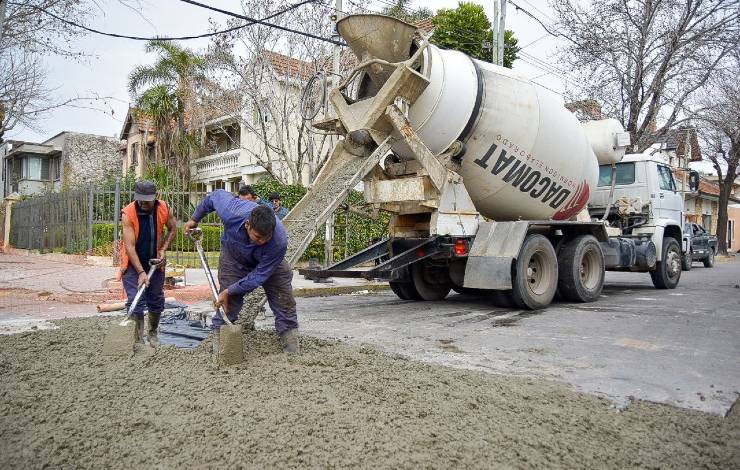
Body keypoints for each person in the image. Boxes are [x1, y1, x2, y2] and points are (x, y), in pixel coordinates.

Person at [184, 189, 299, 354]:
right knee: (227, 303)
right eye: (258, 237)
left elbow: (259, 276)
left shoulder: (279, 240)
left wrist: (230, 290)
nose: (262, 241)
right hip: (233, 256)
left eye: (266, 238)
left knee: (283, 298)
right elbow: (214, 197)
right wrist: (194, 219)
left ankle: (291, 346)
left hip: (268, 261)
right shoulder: (232, 211)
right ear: (247, 225)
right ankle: (219, 348)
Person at [120, 180, 177, 347]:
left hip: (155, 262)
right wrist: (140, 272)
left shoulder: (164, 208)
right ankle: (138, 339)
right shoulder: (128, 213)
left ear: (155, 197)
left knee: (156, 299)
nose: (144, 203)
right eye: (141, 200)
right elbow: (129, 247)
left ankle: (152, 333)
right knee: (135, 300)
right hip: (133, 264)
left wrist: (163, 249)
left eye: (148, 200)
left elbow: (173, 229)